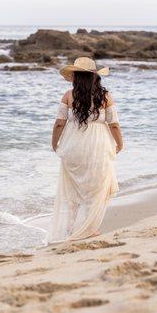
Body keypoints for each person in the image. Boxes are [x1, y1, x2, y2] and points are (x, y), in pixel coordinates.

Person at [48, 57, 123, 243]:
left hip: (73, 145)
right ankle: (90, 227)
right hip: (99, 145)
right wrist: (120, 143)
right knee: (96, 185)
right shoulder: (105, 96)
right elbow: (114, 124)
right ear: (94, 77)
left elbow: (59, 123)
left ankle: (70, 226)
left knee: (73, 186)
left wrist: (55, 143)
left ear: (76, 77)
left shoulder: (68, 95)